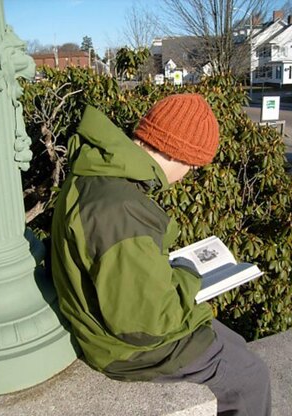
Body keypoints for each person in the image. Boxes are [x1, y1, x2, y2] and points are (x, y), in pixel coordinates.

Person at [51, 94, 271, 415]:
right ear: (178, 152)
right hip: (125, 351)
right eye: (194, 164)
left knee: (235, 343)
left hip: (111, 327)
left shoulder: (101, 173)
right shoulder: (121, 208)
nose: (193, 170)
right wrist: (189, 277)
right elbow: (146, 326)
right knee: (251, 376)